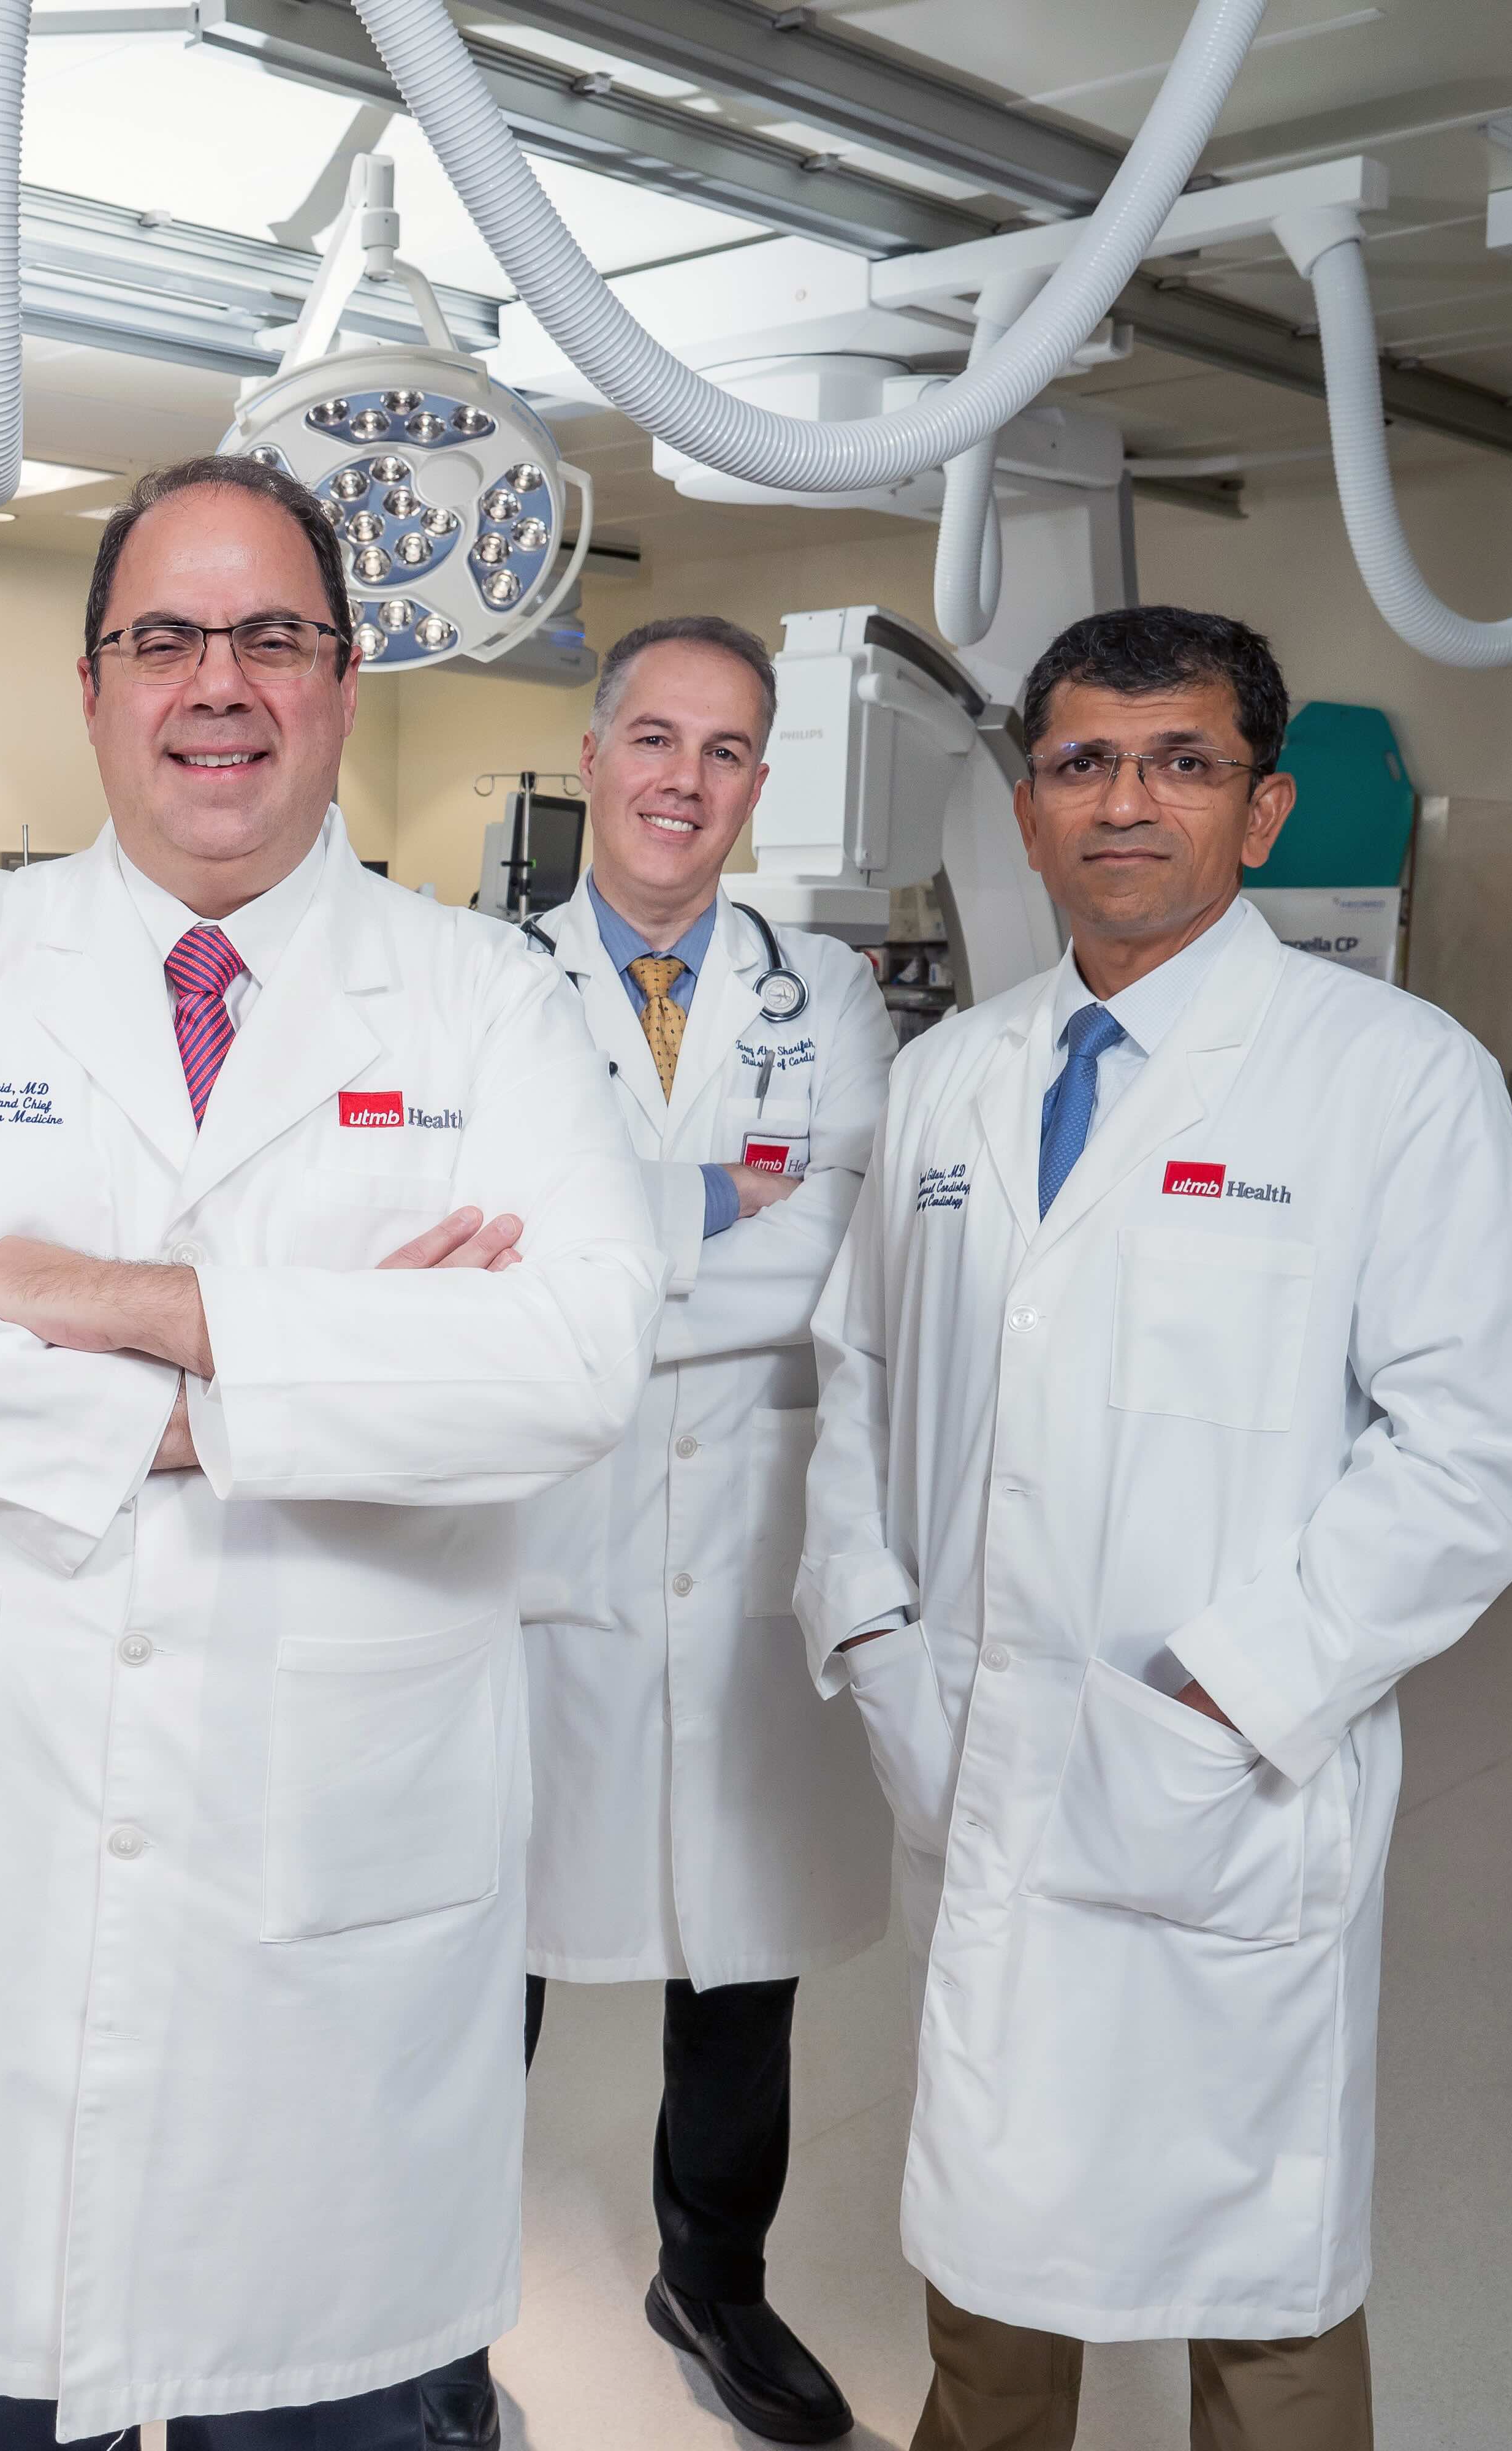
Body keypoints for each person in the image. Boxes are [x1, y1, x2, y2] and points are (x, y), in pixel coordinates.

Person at [0, 455, 672, 2451]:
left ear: (343, 682)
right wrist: (316, 1374)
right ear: (92, 686)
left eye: (271, 637)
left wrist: (127, 1303)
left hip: (332, 1869)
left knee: (322, 2395)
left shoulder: (486, 1000)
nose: (216, 683)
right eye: (165, 639)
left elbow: (568, 1358)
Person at [800, 606, 1512, 2451]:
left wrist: (1227, 1691)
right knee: (988, 2262)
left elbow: (1478, 1452)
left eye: (1179, 762)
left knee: (1256, 2288)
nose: (1123, 801)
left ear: (1262, 805)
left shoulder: (1390, 1080)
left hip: (1216, 1777)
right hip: (977, 1749)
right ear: (1027, 808)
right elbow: (857, 1372)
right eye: (1080, 762)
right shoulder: (951, 1080)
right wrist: (867, 1628)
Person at [469, 615, 899, 2450]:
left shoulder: (837, 995)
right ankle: (426, 2319)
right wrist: (723, 1205)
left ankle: (710, 2281)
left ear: (756, 783)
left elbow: (844, 1246)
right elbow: (471, 1246)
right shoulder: (477, 986)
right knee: (484, 1953)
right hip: (535, 1542)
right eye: (653, 737)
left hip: (742, 1541)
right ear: (593, 756)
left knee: (744, 1953)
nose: (680, 780)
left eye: (723, 750)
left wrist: (606, 1246)